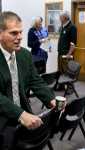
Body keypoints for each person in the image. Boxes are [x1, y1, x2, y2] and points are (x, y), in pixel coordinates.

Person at [0, 11, 57, 150]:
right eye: (14, 33)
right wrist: (20, 114)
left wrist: (51, 99)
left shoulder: (24, 55)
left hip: (23, 114)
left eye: (20, 32)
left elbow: (36, 81)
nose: (19, 37)